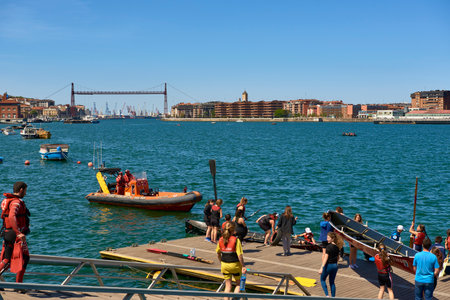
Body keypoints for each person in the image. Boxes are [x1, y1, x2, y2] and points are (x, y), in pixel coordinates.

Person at [0, 182, 30, 284]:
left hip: (7, 233)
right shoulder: (16, 202)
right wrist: (18, 232)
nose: (25, 193)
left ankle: (19, 285)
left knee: (7, 259)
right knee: (25, 258)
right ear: (21, 189)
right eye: (25, 190)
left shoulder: (5, 201)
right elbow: (12, 216)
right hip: (15, 235)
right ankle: (19, 285)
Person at [216, 222, 246, 300]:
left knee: (228, 285)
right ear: (233, 230)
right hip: (235, 265)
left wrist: (221, 262)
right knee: (238, 284)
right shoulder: (236, 240)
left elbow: (218, 253)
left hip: (224, 265)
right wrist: (243, 266)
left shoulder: (220, 240)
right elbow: (240, 255)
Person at [318, 232, 343, 298]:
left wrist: (321, 267)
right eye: (327, 238)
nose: (327, 239)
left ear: (333, 239)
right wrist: (335, 263)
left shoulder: (328, 247)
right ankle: (333, 297)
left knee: (322, 280)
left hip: (328, 265)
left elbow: (325, 258)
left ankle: (327, 295)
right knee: (332, 282)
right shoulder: (337, 247)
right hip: (335, 266)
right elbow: (338, 257)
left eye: (328, 238)